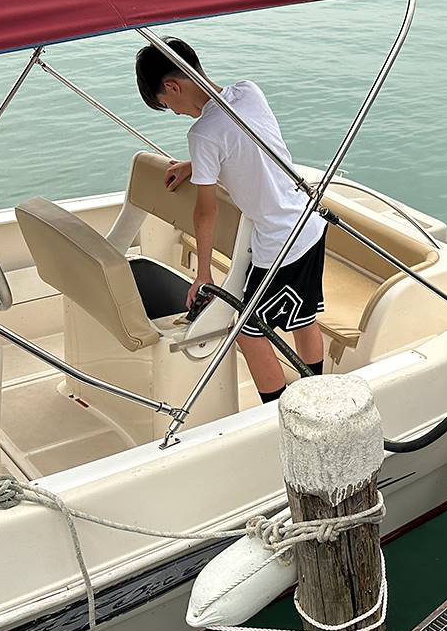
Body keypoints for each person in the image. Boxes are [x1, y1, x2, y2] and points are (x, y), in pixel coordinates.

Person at [135, 38, 327, 402]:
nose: (174, 112)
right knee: (304, 319)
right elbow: (245, 142)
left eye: (166, 104)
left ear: (173, 86)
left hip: (281, 243)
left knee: (246, 329)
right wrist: (196, 165)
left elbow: (206, 210)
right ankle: (317, 395)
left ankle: (281, 412)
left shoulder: (202, 134)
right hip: (308, 222)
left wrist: (204, 274)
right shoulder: (248, 92)